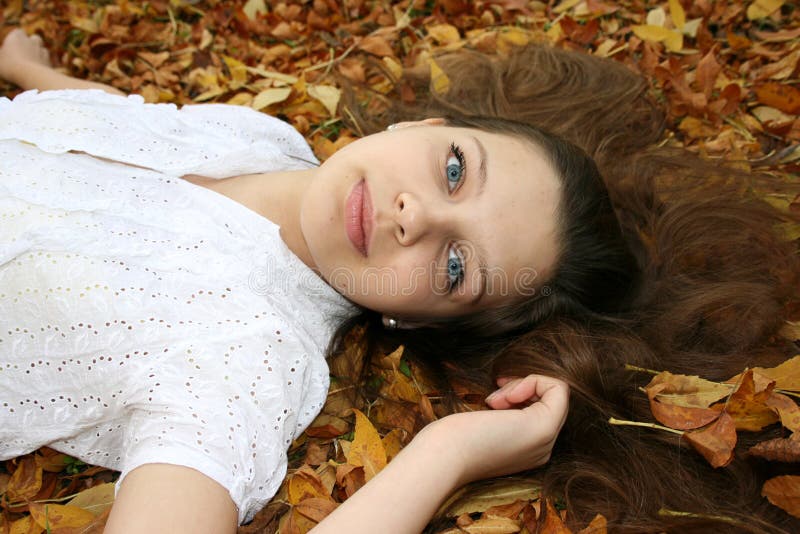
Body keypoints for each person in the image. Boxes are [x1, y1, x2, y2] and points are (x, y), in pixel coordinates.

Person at [0, 28, 797, 534]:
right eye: (455, 169)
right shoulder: (266, 137)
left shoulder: (241, 357)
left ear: (415, 322)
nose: (415, 215)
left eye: (455, 267)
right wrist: (31, 70)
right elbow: (135, 122)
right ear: (421, 125)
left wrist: (443, 457)